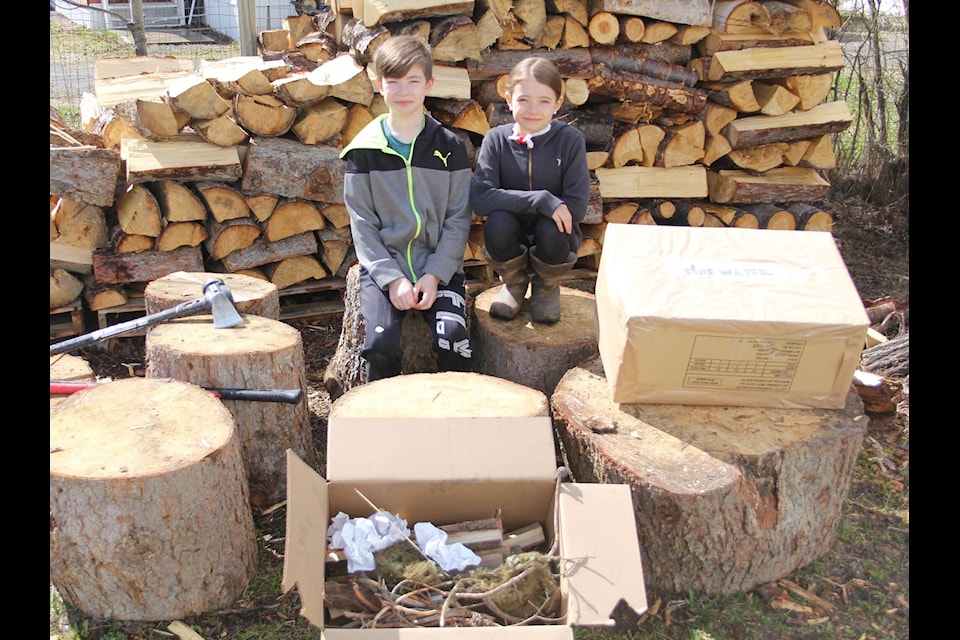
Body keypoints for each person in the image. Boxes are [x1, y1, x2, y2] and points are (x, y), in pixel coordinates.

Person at [340, 35, 473, 382]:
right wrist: (393, 278)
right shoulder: (363, 151)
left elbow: (458, 218)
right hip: (384, 269)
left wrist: (435, 275)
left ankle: (458, 417)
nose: (403, 91)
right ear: (378, 84)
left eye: (413, 81)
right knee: (381, 344)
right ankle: (381, 422)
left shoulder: (450, 147)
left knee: (453, 339)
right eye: (393, 81)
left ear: (429, 84)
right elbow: (362, 224)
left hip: (438, 267)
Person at [471, 56, 590, 324]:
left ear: (558, 103)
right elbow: (481, 198)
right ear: (509, 98)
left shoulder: (570, 140)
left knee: (556, 225)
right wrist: (541, 200)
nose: (533, 109)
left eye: (544, 101)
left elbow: (577, 207)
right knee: (497, 222)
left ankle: (546, 287)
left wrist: (548, 207)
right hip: (510, 234)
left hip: (553, 239)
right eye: (523, 99)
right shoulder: (497, 139)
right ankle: (514, 283)